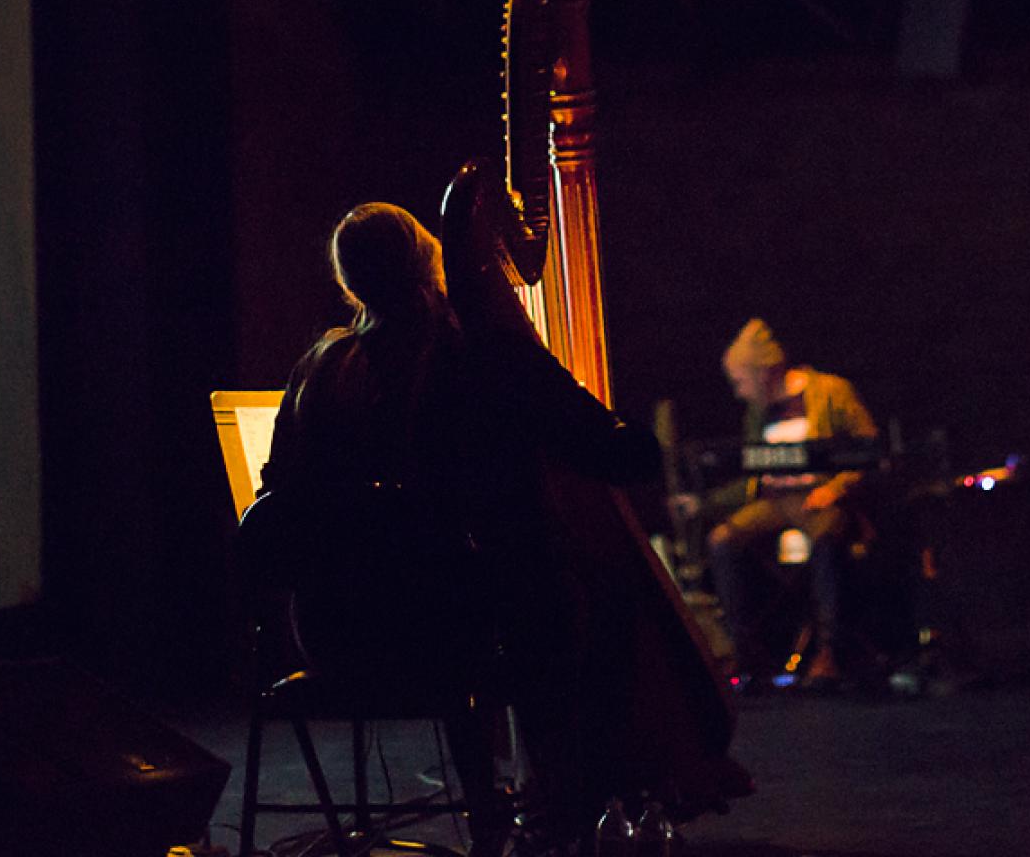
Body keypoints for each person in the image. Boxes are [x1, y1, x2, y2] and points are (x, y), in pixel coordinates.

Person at [261, 203, 748, 850]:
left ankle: (526, 809)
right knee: (579, 603)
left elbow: (275, 497)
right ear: (431, 265)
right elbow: (618, 454)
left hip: (332, 632)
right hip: (448, 633)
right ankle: (570, 811)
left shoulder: (317, 370)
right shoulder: (476, 358)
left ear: (352, 284)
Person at [706, 318, 881, 691]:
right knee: (722, 540)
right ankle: (748, 654)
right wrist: (703, 504)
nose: (739, 392)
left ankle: (830, 652)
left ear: (764, 372)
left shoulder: (829, 392)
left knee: (827, 536)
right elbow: (754, 473)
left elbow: (868, 450)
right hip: (776, 502)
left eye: (741, 380)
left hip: (819, 498)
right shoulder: (758, 412)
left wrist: (836, 487)